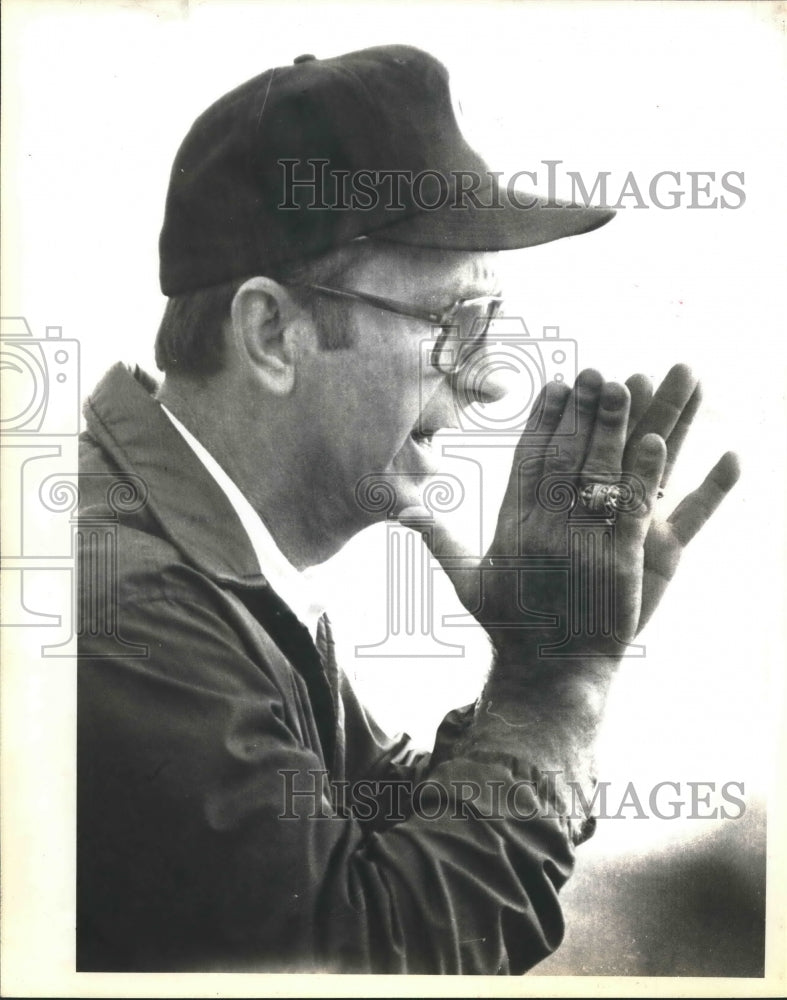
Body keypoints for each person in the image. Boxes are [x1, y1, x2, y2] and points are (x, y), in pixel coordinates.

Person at [76, 44, 739, 974]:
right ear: (273, 333)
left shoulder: (199, 565)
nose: (486, 379)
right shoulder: (127, 606)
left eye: (491, 325)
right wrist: (556, 686)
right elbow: (370, 958)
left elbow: (369, 854)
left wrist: (549, 646)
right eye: (452, 325)